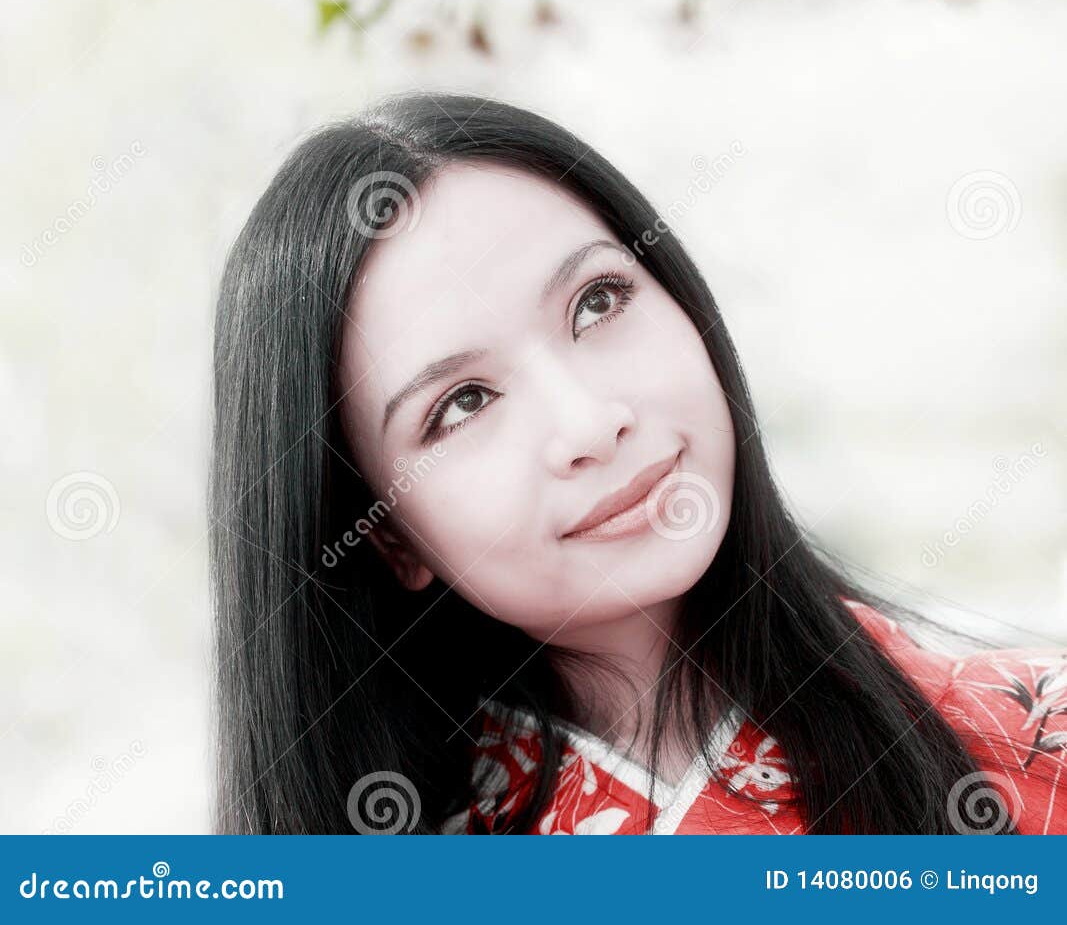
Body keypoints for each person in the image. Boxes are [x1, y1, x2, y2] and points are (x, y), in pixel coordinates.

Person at [209, 91, 1067, 834]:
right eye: (462, 403)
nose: (589, 422)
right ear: (388, 536)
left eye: (598, 301)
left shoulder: (1036, 743)